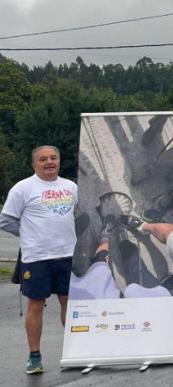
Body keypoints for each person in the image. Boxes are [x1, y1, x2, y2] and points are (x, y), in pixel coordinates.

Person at [0, 146, 77, 374]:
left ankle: (74, 351)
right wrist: (28, 233)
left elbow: (80, 217)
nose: (49, 162)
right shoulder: (23, 188)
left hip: (67, 254)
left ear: (59, 162)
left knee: (68, 301)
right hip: (36, 257)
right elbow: (5, 220)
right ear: (34, 165)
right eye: (43, 159)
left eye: (53, 158)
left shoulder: (71, 187)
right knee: (36, 305)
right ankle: (35, 356)